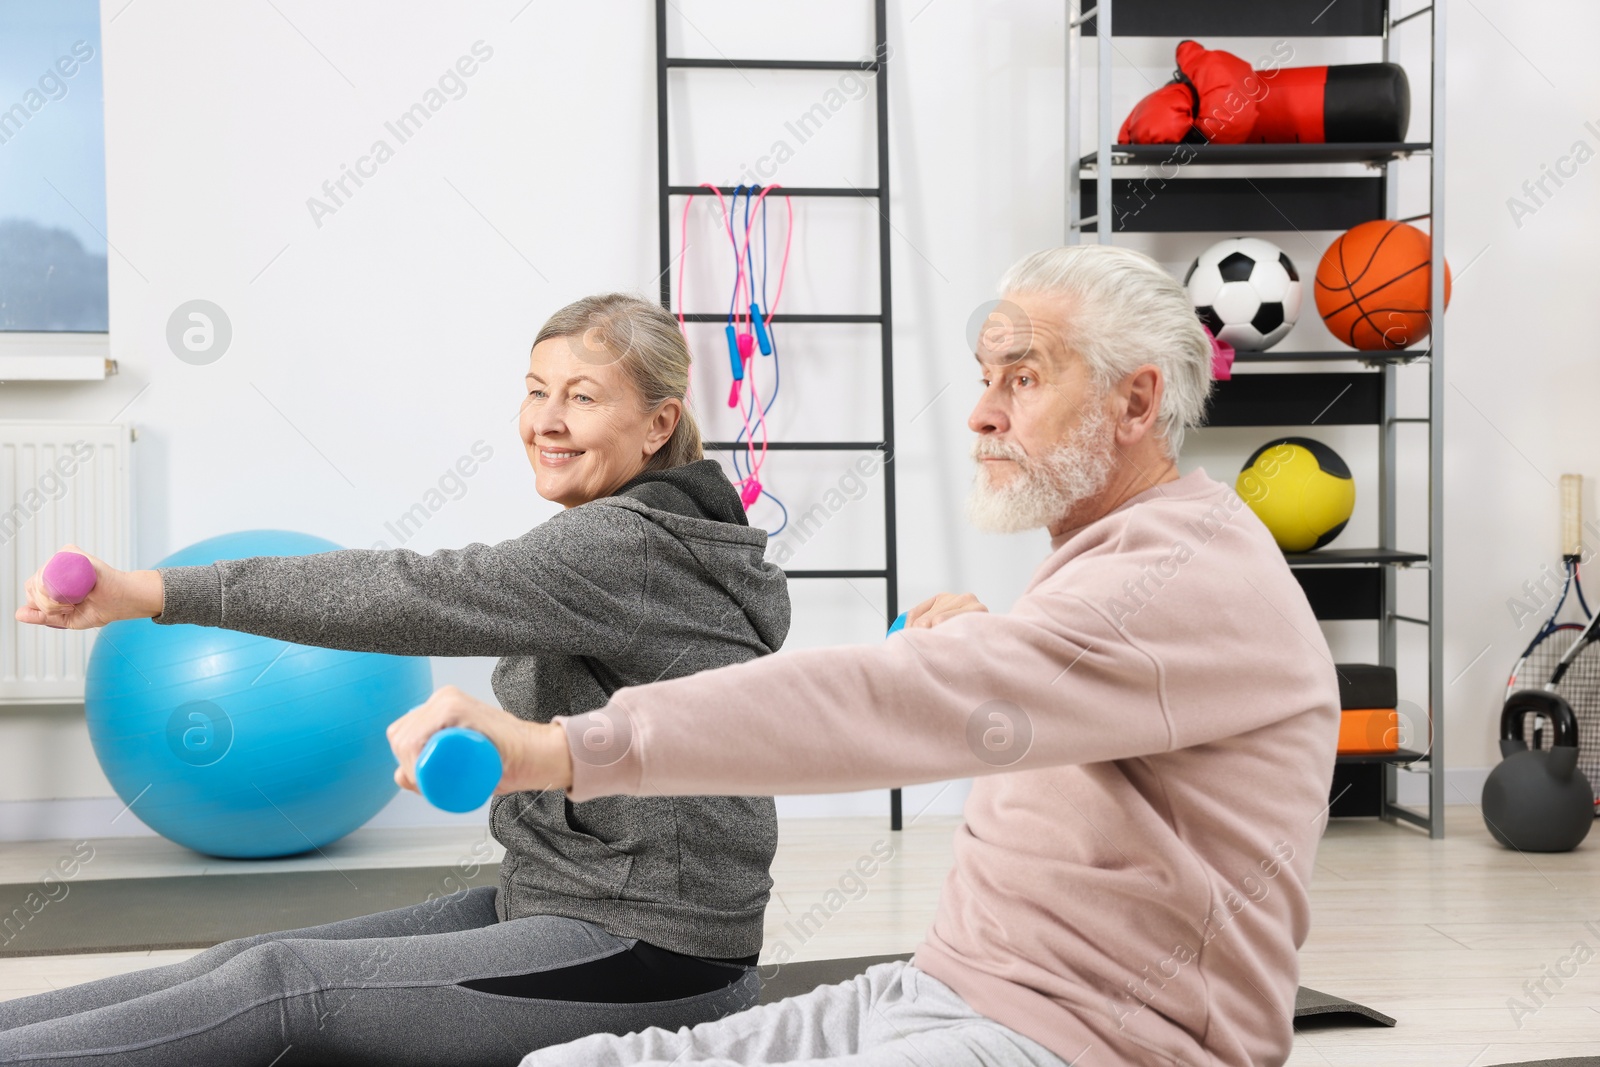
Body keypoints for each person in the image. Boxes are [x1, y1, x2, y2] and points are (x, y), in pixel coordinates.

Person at [388, 245, 1344, 1067]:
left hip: (1095, 1041)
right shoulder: (1115, 559)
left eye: (1024, 376)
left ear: (1136, 401)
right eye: (985, 374)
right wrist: (981, 643)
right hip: (946, 986)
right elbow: (1050, 690)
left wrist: (552, 750)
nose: (981, 412)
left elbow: (893, 701)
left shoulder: (1187, 572)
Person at [6, 293, 790, 1067]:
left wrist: (153, 591)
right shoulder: (644, 531)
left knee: (282, 988)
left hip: (654, 951)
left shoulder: (629, 547)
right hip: (557, 903)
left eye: (582, 398)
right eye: (535, 389)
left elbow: (409, 590)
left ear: (658, 423)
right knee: (251, 958)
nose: (547, 420)